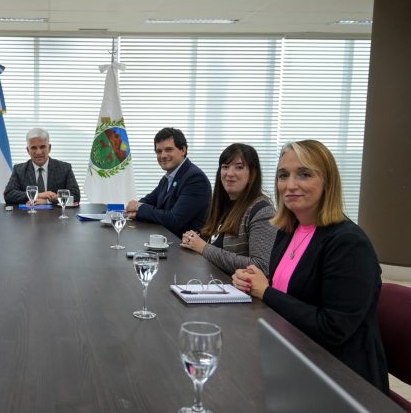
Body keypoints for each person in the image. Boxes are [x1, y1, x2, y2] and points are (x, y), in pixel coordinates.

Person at [232, 140, 389, 393]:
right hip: (290, 356)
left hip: (341, 380)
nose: (290, 185)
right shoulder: (288, 230)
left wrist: (267, 292)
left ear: (327, 182)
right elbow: (292, 291)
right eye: (283, 175)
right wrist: (258, 280)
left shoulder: (349, 243)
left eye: (304, 174)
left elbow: (332, 328)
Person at [180, 143, 277, 274]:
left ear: (253, 174)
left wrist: (203, 247)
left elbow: (260, 266)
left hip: (237, 291)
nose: (230, 173)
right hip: (212, 280)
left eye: (239, 167)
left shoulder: (262, 212)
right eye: (225, 167)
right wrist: (194, 239)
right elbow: (215, 244)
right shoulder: (224, 204)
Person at [126, 127, 211, 238]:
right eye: (159, 151)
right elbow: (149, 200)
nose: (163, 155)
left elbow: (173, 220)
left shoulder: (195, 178)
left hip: (185, 251)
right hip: (165, 242)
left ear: (183, 150)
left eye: (169, 149)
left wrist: (138, 207)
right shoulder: (168, 177)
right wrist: (136, 208)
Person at [3, 127, 80, 205]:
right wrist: (37, 195)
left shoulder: (65, 168)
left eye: (42, 147)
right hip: (28, 216)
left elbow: (76, 196)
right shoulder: (19, 170)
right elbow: (8, 195)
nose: (38, 152)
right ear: (28, 150)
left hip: (56, 216)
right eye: (33, 148)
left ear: (49, 148)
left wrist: (48, 201)